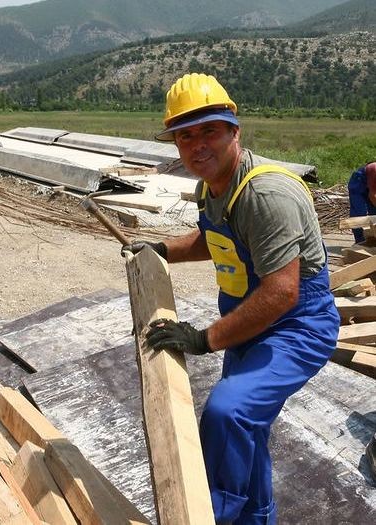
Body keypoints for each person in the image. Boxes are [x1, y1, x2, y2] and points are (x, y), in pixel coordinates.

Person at [124, 73, 340, 524]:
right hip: (250, 320)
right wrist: (159, 250)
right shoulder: (212, 187)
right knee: (248, 428)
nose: (197, 145)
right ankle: (257, 518)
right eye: (185, 136)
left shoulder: (265, 194)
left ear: (233, 131)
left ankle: (211, 516)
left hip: (296, 326)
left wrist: (204, 339)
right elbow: (213, 239)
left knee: (229, 412)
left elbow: (282, 292)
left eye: (209, 131)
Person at [347, 161, 376, 243]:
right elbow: (372, 195)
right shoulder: (374, 169)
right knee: (359, 212)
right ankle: (360, 240)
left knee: (374, 213)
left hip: (371, 183)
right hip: (359, 181)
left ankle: (372, 238)